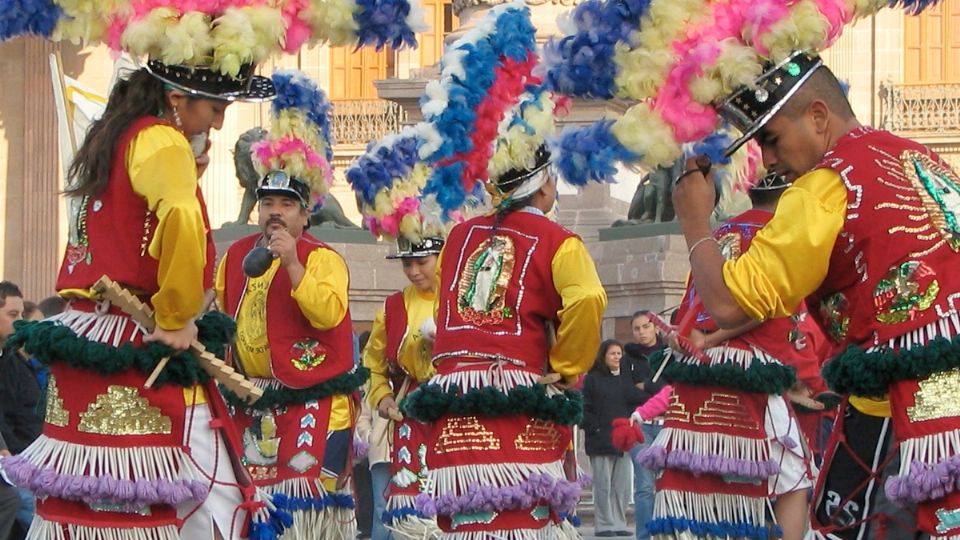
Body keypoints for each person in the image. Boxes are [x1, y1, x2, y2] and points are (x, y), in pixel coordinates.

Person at [672, 50, 960, 538]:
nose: (769, 159)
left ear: (819, 116)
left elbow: (726, 303)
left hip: (913, 411)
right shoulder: (917, 156)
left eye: (772, 138)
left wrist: (694, 218)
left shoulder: (825, 186)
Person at [1, 50, 270, 538]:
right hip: (135, 332)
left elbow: (128, 225)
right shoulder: (160, 141)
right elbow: (182, 220)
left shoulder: (113, 137)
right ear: (175, 98)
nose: (221, 118)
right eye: (213, 106)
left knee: (81, 489)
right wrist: (177, 314)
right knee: (208, 489)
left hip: (86, 330)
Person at [216, 70, 365, 538]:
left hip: (313, 398)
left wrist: (293, 263)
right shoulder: (237, 255)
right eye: (267, 204)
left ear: (305, 213)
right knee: (253, 508)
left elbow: (326, 313)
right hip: (252, 400)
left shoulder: (324, 259)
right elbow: (224, 317)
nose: (274, 212)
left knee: (307, 513)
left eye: (285, 204)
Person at [359, 225, 444, 540]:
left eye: (422, 261)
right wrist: (383, 398)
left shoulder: (463, 301)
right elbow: (373, 362)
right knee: (409, 506)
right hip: (410, 413)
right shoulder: (393, 307)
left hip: (458, 411)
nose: (413, 271)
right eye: (407, 263)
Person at [582, 340, 650, 537]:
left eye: (619, 353)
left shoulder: (624, 379)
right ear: (603, 356)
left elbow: (640, 398)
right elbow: (585, 407)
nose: (617, 357)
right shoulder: (592, 379)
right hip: (599, 439)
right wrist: (594, 428)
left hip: (622, 440)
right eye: (613, 353)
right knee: (603, 485)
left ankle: (619, 523)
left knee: (622, 486)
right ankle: (604, 525)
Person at [620, 311, 666, 540]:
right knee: (645, 484)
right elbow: (625, 391)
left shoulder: (669, 354)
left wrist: (646, 387)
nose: (642, 332)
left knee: (668, 483)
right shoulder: (627, 359)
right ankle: (645, 537)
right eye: (636, 328)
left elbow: (672, 386)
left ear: (656, 328)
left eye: (646, 327)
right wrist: (650, 389)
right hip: (641, 426)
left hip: (668, 424)